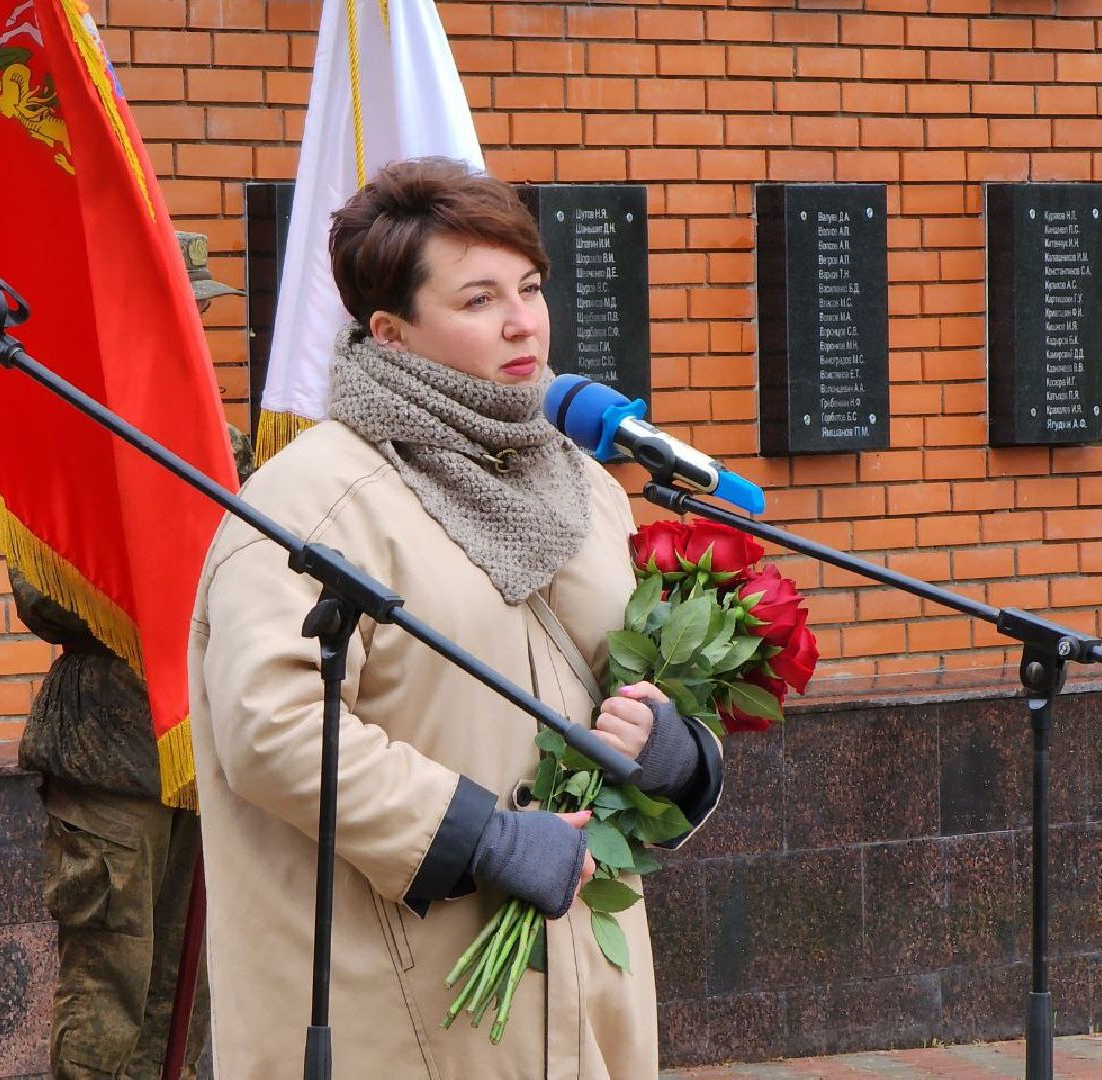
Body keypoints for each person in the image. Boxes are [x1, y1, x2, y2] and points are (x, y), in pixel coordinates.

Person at [189, 158, 726, 1077]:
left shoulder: (584, 485)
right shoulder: (316, 500)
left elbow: (621, 675)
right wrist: (476, 833)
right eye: (478, 299)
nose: (522, 321)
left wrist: (675, 752)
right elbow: (270, 728)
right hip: (404, 1003)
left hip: (582, 990)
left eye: (528, 286)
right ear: (391, 333)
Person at [11, 231, 250, 1080]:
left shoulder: (224, 443)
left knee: (187, 997)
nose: (198, 327)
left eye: (206, 312)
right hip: (110, 756)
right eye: (187, 309)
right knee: (110, 986)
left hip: (209, 751)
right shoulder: (79, 428)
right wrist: (154, 564)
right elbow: (39, 595)